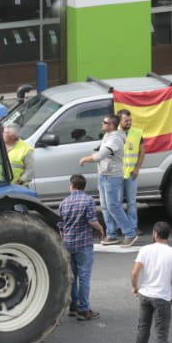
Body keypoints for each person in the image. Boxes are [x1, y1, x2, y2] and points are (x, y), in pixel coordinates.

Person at [80, 114, 132, 244]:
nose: (102, 124)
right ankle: (111, 234)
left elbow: (100, 156)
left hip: (112, 176)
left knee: (113, 206)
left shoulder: (115, 139)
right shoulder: (107, 136)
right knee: (105, 207)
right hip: (103, 174)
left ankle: (130, 233)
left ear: (112, 125)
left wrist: (85, 159)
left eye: (104, 122)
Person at [59, 173, 103, 320]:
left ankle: (73, 306)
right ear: (84, 187)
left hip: (68, 244)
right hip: (83, 244)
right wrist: (100, 228)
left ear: (71, 185)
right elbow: (91, 221)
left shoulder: (64, 202)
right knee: (84, 277)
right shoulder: (88, 200)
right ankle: (83, 310)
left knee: (73, 277)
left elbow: (61, 226)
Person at [118, 109, 144, 241]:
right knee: (116, 203)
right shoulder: (114, 133)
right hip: (117, 174)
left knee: (132, 202)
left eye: (130, 120)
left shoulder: (137, 133)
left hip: (131, 173)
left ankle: (133, 227)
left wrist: (137, 168)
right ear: (119, 121)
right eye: (126, 120)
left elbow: (142, 151)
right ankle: (122, 227)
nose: (129, 122)